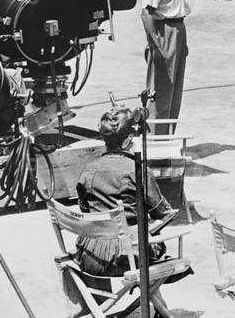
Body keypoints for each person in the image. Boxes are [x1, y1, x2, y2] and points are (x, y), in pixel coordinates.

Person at [74, 107, 178, 277]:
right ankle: (154, 300)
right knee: (151, 241)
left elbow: (85, 211)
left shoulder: (88, 171)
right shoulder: (137, 171)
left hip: (89, 255)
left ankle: (102, 302)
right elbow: (163, 213)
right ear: (129, 139)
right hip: (128, 258)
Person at [141, 0, 194, 133]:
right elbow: (146, 12)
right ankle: (155, 141)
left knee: (174, 92)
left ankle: (167, 139)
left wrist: (182, 42)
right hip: (164, 31)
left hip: (178, 30)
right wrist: (155, 45)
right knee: (161, 91)